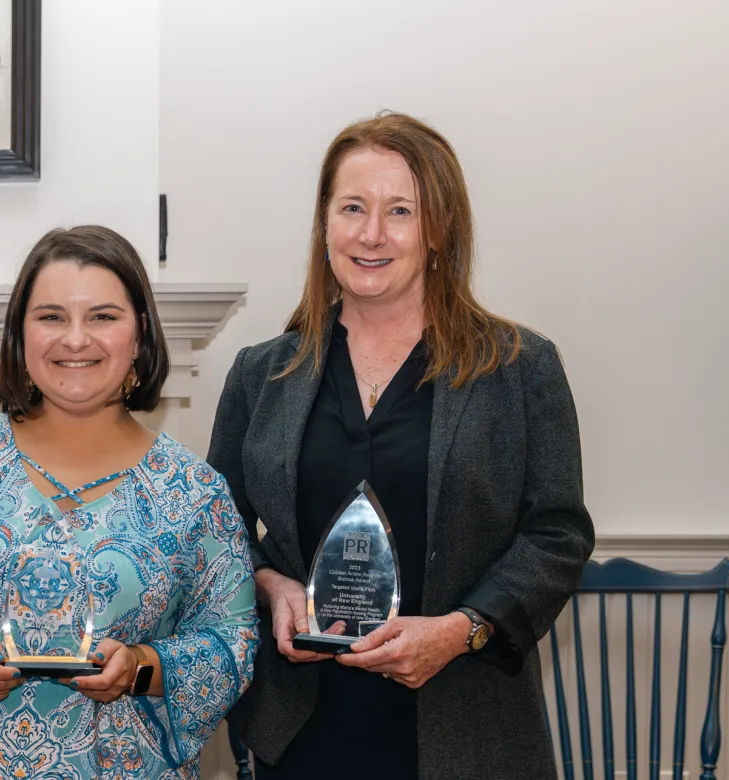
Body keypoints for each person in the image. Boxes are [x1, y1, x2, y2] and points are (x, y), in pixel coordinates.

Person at [209, 112, 595, 779]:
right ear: (324, 223)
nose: (370, 234)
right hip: (303, 731)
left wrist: (462, 630)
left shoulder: (520, 368)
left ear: (439, 229)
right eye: (352, 207)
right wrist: (271, 586)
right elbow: (215, 534)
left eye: (400, 211)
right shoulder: (261, 374)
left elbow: (557, 535)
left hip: (466, 725)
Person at [0, 226, 259, 779]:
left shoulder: (196, 493)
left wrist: (140, 667)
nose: (75, 339)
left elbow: (232, 644)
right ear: (20, 337)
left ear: (140, 334)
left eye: (102, 316)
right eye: (51, 316)